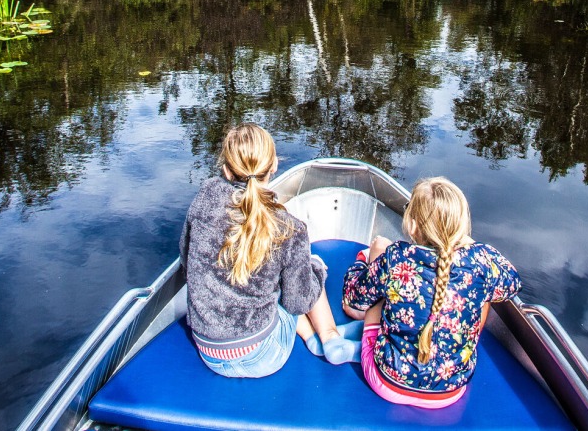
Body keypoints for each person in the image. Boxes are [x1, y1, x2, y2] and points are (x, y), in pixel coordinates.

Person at [180, 123, 360, 377]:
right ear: (274, 165)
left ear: (227, 170)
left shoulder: (204, 199)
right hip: (264, 356)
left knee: (279, 278)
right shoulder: (289, 228)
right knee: (304, 272)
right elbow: (298, 303)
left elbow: (186, 260)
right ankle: (329, 337)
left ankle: (314, 338)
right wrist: (317, 269)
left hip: (208, 350)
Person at [341, 176, 521, 408]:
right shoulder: (480, 262)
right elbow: (512, 283)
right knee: (486, 293)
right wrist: (464, 240)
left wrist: (363, 262)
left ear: (413, 225)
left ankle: (364, 326)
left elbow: (354, 296)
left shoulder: (397, 257)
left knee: (384, 286)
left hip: (388, 382)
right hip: (449, 392)